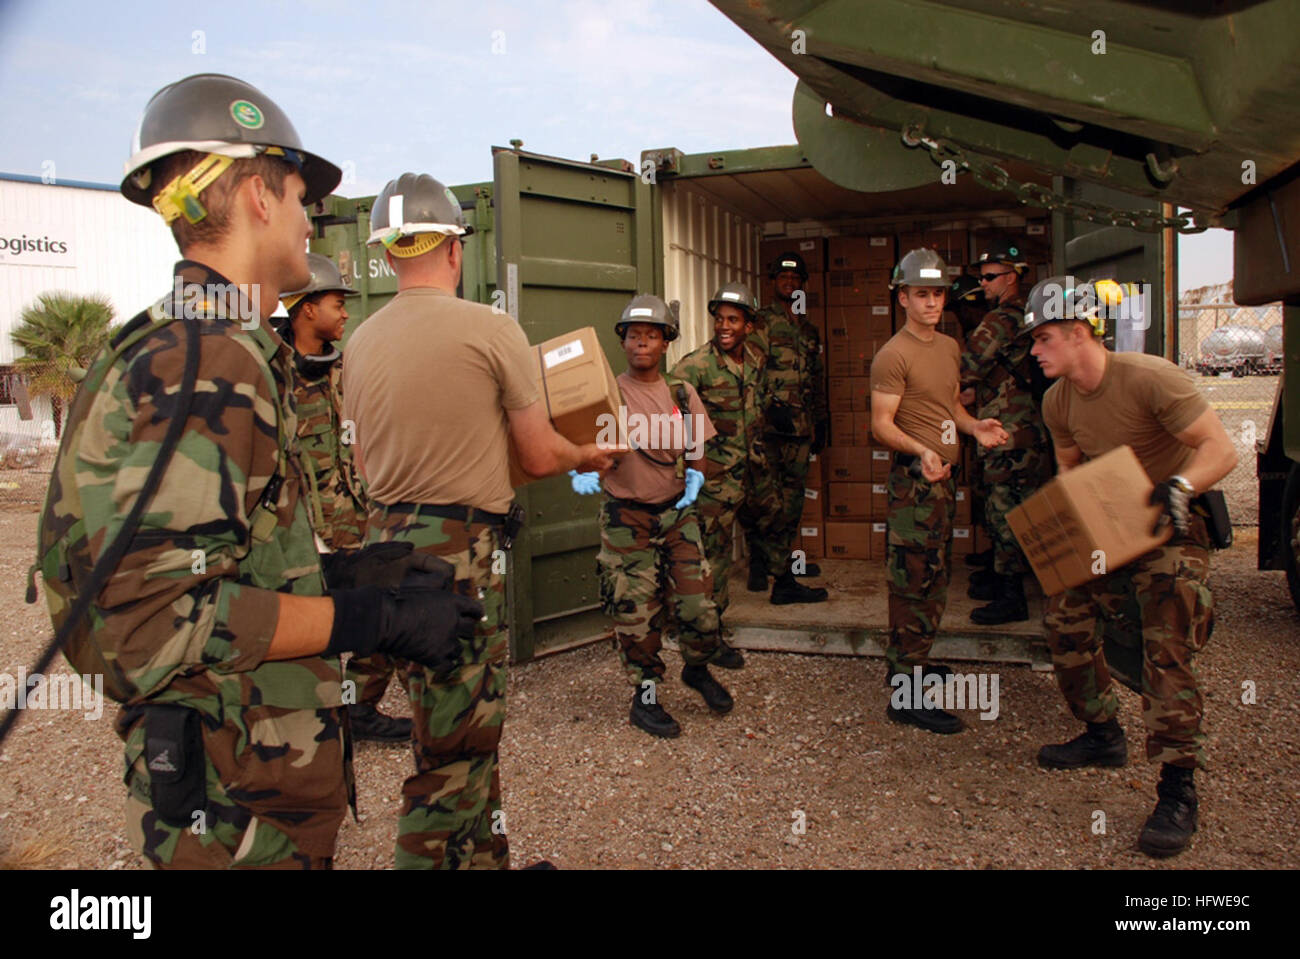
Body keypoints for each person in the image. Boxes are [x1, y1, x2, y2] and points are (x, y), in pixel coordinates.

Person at [35, 74, 479, 869]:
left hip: (236, 769)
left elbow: (205, 555)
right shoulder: (209, 358)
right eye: (302, 196)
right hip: (236, 796)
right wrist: (368, 620)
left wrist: (339, 573)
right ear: (255, 195)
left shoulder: (181, 338)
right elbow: (155, 623)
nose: (313, 219)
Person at [342, 172, 618, 868]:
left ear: (390, 254)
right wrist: (590, 451)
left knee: (457, 729)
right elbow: (534, 449)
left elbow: (369, 466)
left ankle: (487, 857)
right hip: (459, 559)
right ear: (455, 250)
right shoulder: (492, 330)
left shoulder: (361, 343)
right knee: (451, 756)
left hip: (384, 549)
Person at [1024, 275, 1237, 858]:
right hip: (1113, 521)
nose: (1035, 351)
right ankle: (1101, 734)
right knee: (1064, 619)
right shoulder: (1056, 400)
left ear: (1076, 332)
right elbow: (1071, 469)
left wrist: (1181, 485)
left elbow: (1221, 448)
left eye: (1043, 339)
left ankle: (1177, 788)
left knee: (1164, 645)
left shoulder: (1149, 377)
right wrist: (1068, 534)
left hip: (1172, 521)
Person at [572, 294, 733, 738]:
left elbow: (698, 447)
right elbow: (582, 448)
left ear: (666, 344)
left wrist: (697, 483)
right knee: (636, 617)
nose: (642, 343)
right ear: (623, 342)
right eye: (634, 335)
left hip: (677, 515)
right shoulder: (607, 393)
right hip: (627, 519)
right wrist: (584, 467)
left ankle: (697, 670)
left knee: (701, 608)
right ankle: (645, 699)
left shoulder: (682, 393)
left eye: (652, 335)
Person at [869, 249, 1008, 735]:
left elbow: (949, 405)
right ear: (903, 297)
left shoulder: (949, 347)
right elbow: (881, 425)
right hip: (914, 483)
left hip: (942, 481)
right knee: (913, 581)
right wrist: (922, 449)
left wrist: (975, 428)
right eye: (921, 294)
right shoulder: (893, 355)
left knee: (934, 576)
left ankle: (910, 661)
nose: (931, 302)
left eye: (937, 293)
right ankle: (904, 694)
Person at [278, 253, 410, 743]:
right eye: (338, 303)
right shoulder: (270, 374)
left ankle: (357, 708)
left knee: (384, 616)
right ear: (308, 308)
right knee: (306, 632)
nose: (346, 313)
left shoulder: (344, 367)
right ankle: (309, 723)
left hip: (354, 523)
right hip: (295, 535)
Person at [671, 281, 769, 662]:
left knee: (730, 551)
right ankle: (705, 639)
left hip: (747, 475)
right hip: (711, 482)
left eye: (734, 319)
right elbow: (670, 424)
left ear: (749, 325)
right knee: (710, 559)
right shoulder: (693, 367)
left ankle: (710, 632)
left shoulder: (756, 361)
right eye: (719, 319)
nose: (724, 326)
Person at [960, 237, 1052, 624]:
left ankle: (1013, 596)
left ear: (1014, 277)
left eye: (990, 277)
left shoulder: (1001, 318)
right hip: (1023, 427)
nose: (983, 284)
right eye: (981, 277)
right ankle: (1003, 576)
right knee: (1012, 503)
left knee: (1005, 508)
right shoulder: (1026, 314)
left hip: (1006, 429)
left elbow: (969, 363)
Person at [742, 251, 830, 603]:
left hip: (801, 431)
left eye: (795, 280)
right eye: (784, 279)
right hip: (769, 431)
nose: (790, 284)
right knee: (764, 503)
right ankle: (762, 565)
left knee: (792, 505)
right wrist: (765, 409)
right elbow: (750, 373)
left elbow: (817, 379)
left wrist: (822, 420)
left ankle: (784, 567)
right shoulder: (761, 323)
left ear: (802, 285)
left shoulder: (808, 329)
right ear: (773, 282)